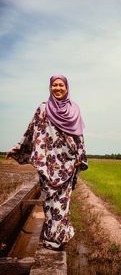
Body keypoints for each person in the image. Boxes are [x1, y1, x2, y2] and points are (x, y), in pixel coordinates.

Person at [6, 75, 88, 250]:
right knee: (50, 200)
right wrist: (18, 148)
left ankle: (57, 237)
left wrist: (80, 157)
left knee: (63, 201)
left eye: (61, 85)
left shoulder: (74, 109)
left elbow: (79, 135)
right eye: (54, 85)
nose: (57, 88)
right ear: (50, 88)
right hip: (47, 163)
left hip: (68, 162)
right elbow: (31, 129)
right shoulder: (43, 108)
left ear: (67, 88)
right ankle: (52, 235)